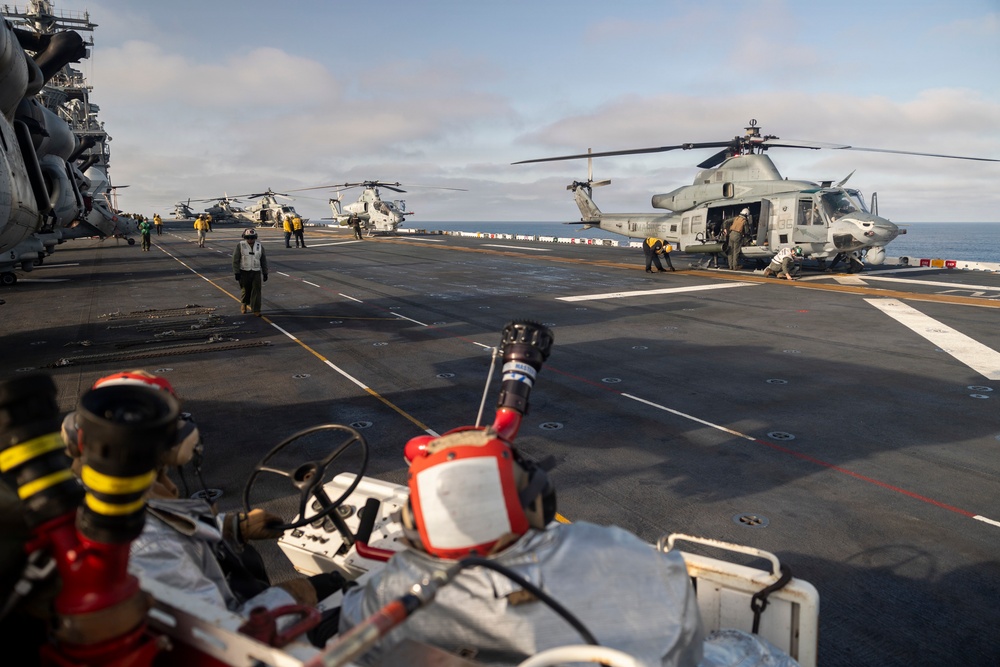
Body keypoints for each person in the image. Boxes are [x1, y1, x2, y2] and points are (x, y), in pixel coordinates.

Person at [339, 429, 705, 665]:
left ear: (416, 524)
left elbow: (351, 632)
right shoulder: (635, 561)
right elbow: (686, 644)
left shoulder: (390, 593)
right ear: (537, 501)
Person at [59, 371, 343, 619]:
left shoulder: (103, 506)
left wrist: (234, 528)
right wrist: (294, 593)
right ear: (173, 444)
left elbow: (173, 534)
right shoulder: (148, 546)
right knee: (351, 591)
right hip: (255, 635)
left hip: (227, 610)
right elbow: (227, 632)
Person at [232, 228, 268, 316]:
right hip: (244, 271)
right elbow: (235, 259)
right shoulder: (240, 245)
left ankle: (256, 309)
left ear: (255, 237)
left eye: (252, 238)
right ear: (245, 237)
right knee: (245, 290)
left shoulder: (259, 246)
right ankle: (244, 303)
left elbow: (263, 260)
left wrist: (265, 273)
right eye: (248, 238)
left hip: (256, 271)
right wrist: (236, 272)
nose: (250, 240)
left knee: (256, 290)